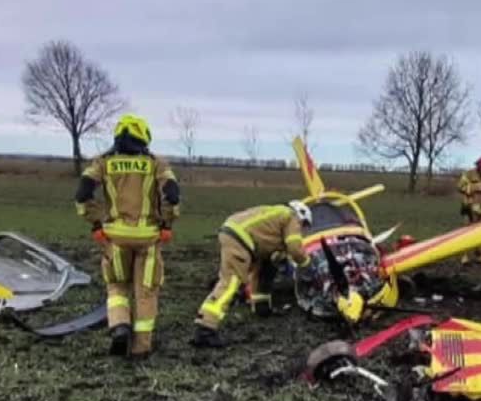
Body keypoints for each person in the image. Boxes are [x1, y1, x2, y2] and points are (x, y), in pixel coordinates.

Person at [74, 114, 180, 359]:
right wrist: (167, 224)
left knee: (117, 286)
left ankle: (120, 326)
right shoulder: (156, 163)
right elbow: (172, 194)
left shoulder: (102, 162)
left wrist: (95, 223)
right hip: (148, 236)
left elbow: (82, 193)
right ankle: (141, 347)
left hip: (115, 236)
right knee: (146, 290)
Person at [192, 201, 313, 347]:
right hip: (241, 239)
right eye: (304, 226)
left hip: (240, 236)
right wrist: (306, 264)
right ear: (302, 215)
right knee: (231, 283)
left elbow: (269, 251)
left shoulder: (276, 215)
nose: (302, 230)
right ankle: (205, 329)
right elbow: (295, 248)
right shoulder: (291, 217)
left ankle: (262, 307)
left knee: (264, 269)